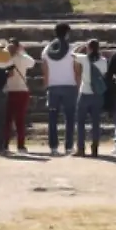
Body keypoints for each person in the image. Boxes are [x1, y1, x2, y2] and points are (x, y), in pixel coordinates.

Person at [43, 22, 80, 155]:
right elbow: (76, 70)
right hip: (70, 87)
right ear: (67, 33)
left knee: (52, 118)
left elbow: (45, 70)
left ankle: (53, 147)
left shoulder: (47, 50)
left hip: (53, 87)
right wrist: (78, 84)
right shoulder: (72, 49)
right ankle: (69, 146)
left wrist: (47, 86)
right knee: (70, 118)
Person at [74, 40, 110, 157]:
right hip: (97, 95)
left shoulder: (84, 58)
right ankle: (95, 149)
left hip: (85, 92)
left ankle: (81, 148)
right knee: (96, 123)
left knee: (80, 123)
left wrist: (80, 47)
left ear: (88, 48)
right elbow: (104, 74)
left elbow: (72, 54)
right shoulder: (103, 61)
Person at [4, 39, 36, 153]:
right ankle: (21, 145)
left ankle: (5, 145)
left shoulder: (5, 58)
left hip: (8, 91)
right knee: (20, 120)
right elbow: (32, 63)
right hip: (22, 90)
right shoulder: (23, 58)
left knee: (7, 120)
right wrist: (22, 51)